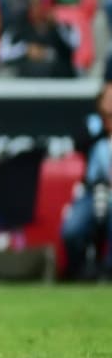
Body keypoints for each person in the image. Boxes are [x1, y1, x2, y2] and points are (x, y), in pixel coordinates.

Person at [62, 83, 112, 281]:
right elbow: (79, 144)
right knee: (72, 229)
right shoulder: (92, 124)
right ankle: (80, 271)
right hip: (93, 189)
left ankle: (108, 271)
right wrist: (105, 130)